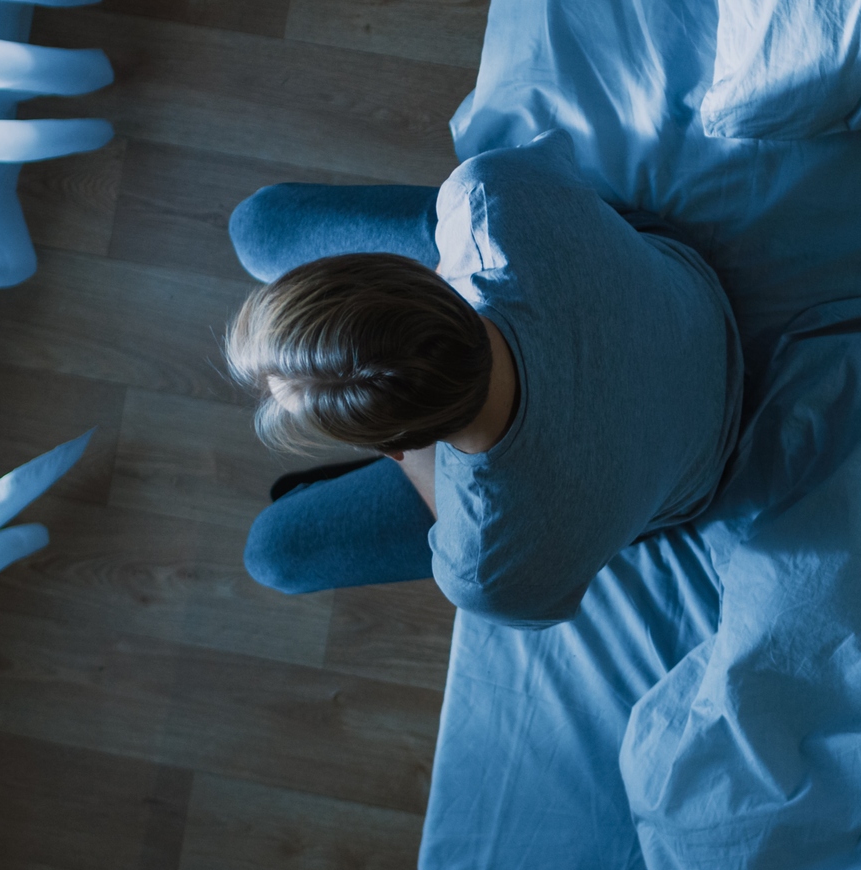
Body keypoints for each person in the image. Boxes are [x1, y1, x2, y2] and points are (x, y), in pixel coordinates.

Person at [221, 132, 744, 626]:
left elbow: (544, 606)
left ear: (397, 446)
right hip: (691, 308)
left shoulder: (485, 566)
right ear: (409, 268)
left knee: (272, 556)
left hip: (697, 464)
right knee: (256, 227)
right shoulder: (489, 195)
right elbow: (552, 159)